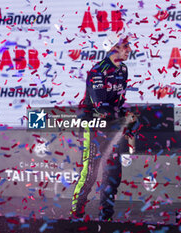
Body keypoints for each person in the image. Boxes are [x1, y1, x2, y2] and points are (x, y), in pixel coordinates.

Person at [71, 32, 136, 221]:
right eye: (125, 46)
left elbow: (118, 103)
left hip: (112, 126)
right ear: (112, 48)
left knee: (113, 172)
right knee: (91, 172)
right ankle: (76, 213)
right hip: (95, 125)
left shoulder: (123, 70)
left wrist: (127, 118)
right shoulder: (97, 71)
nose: (129, 49)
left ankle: (105, 217)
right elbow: (102, 107)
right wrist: (124, 118)